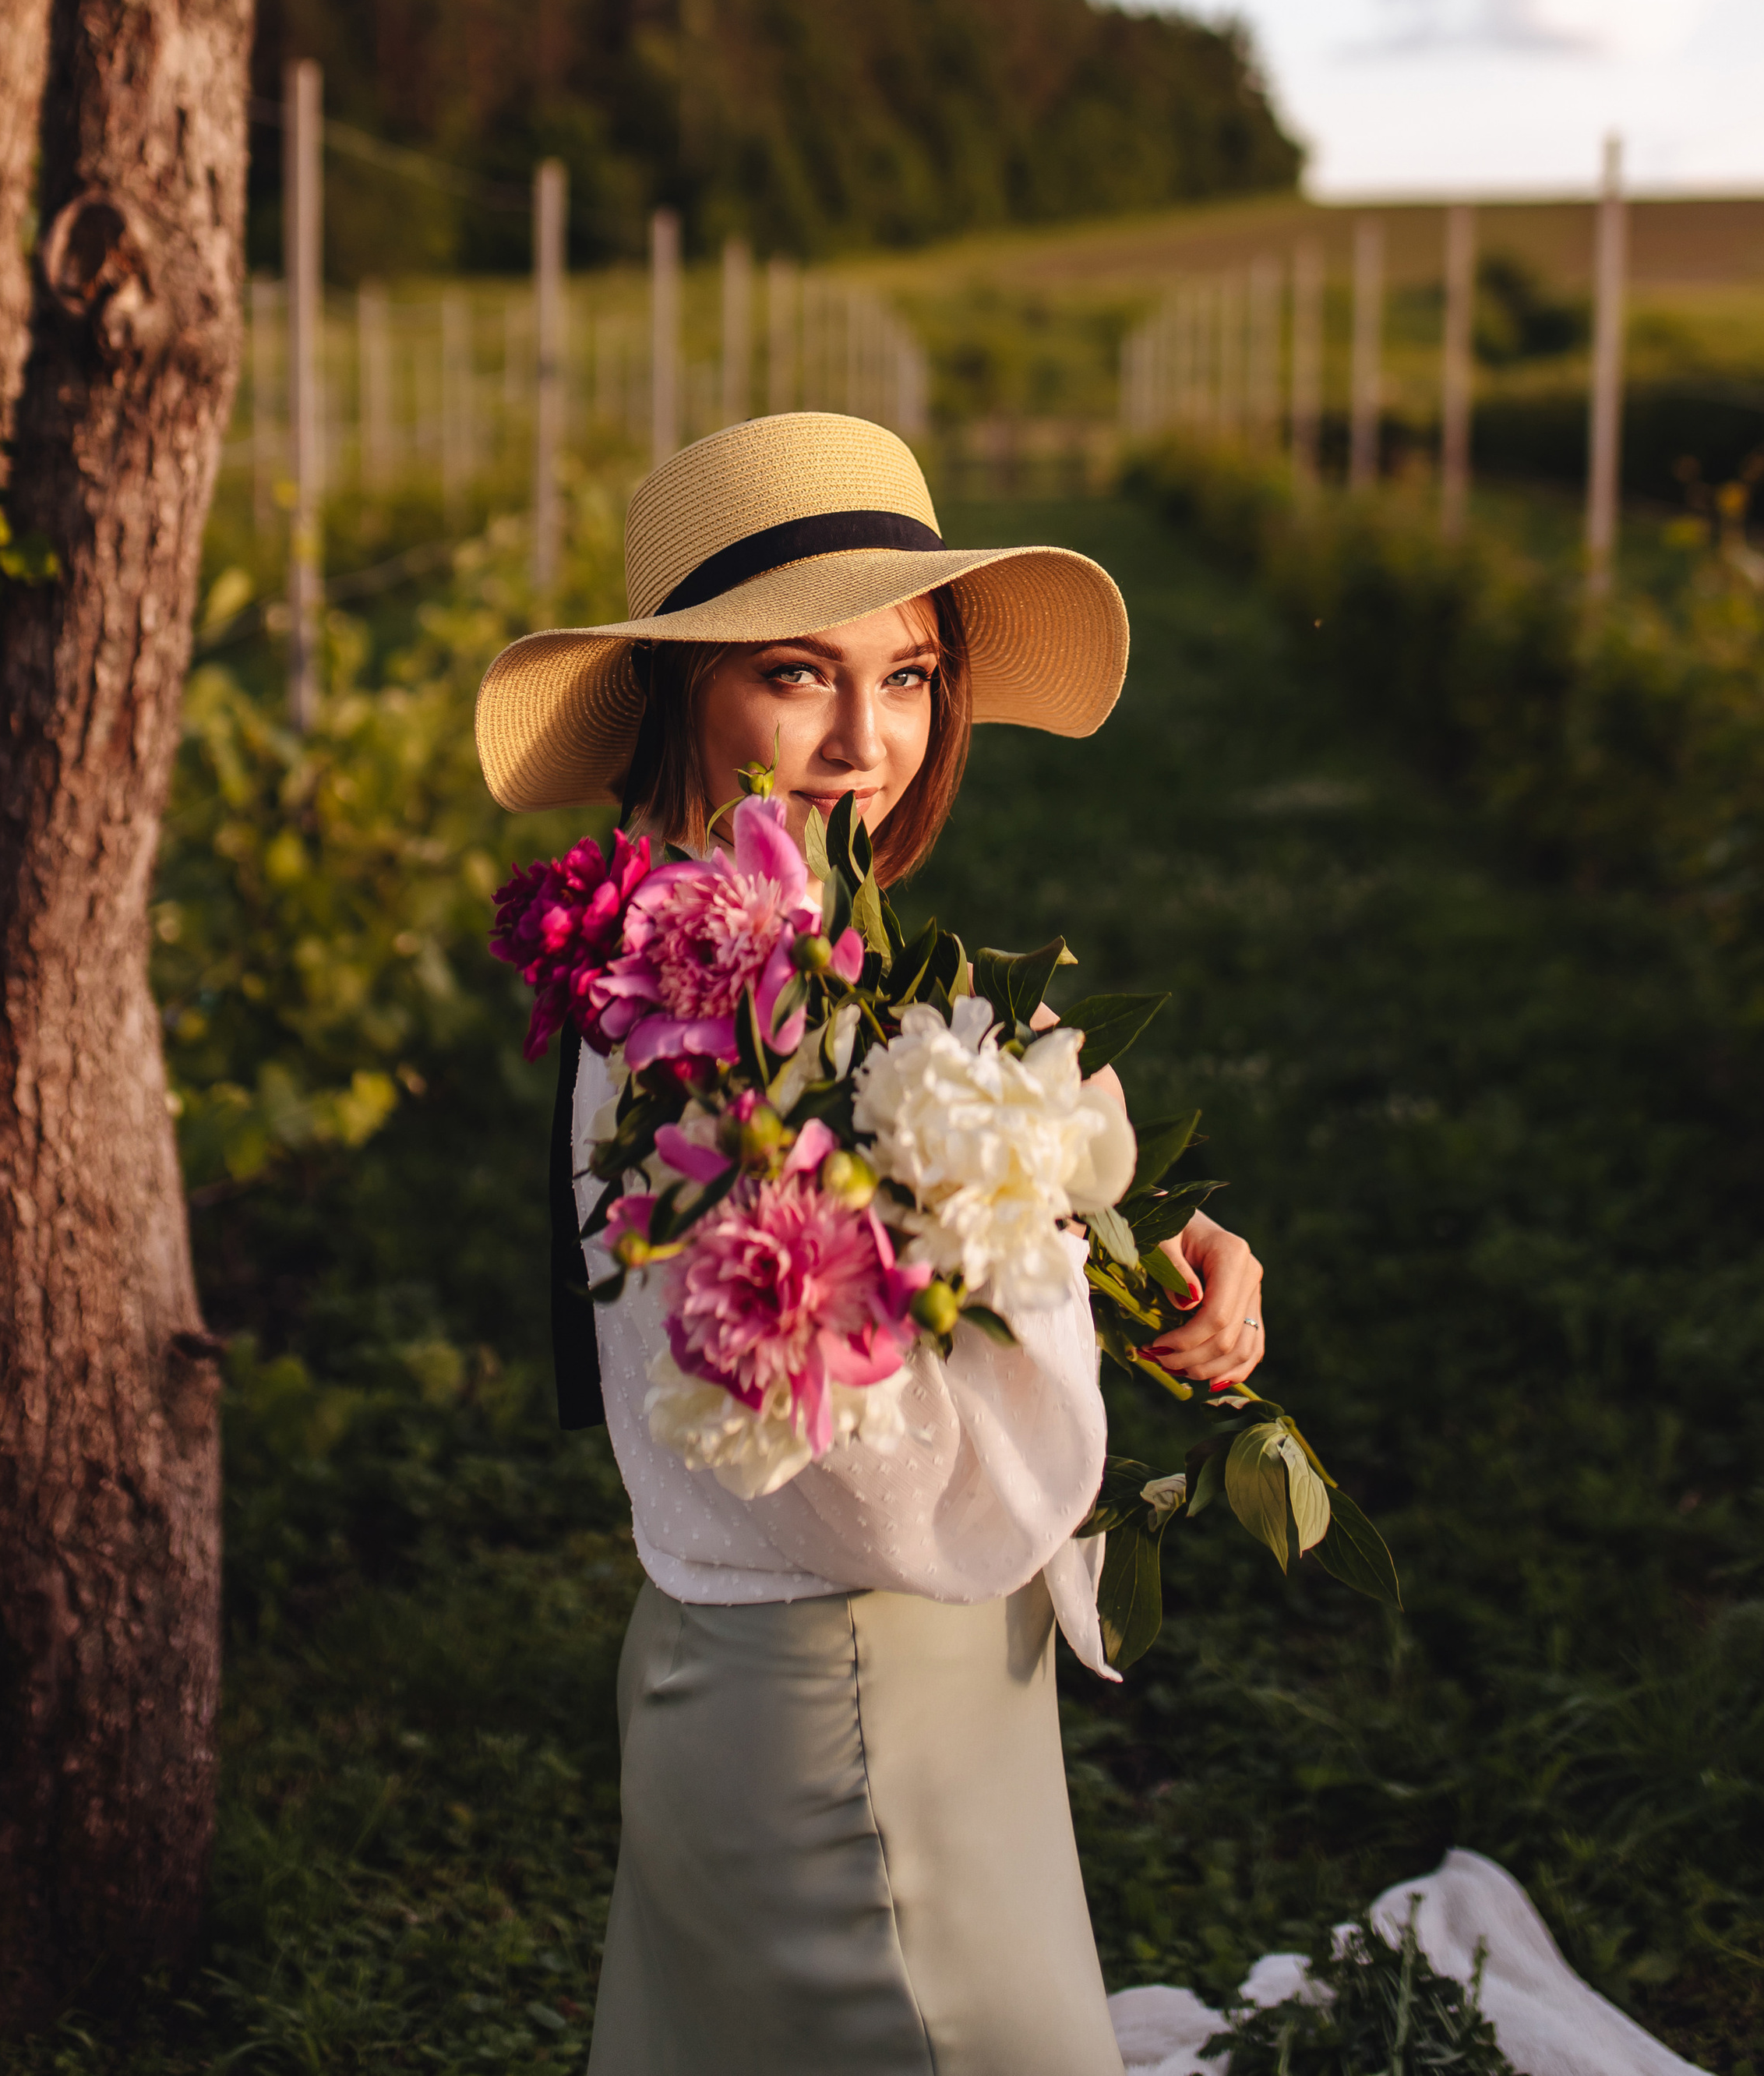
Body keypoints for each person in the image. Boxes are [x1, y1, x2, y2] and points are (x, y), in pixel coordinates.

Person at [475, 411, 1267, 2076]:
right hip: (846, 1702)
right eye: (795, 673)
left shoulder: (800, 953)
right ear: (683, 690)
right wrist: (1045, 1263)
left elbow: (941, 1187)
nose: (862, 740)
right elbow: (881, 1465)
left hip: (851, 1675)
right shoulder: (701, 1005)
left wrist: (1141, 1237)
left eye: (903, 676)